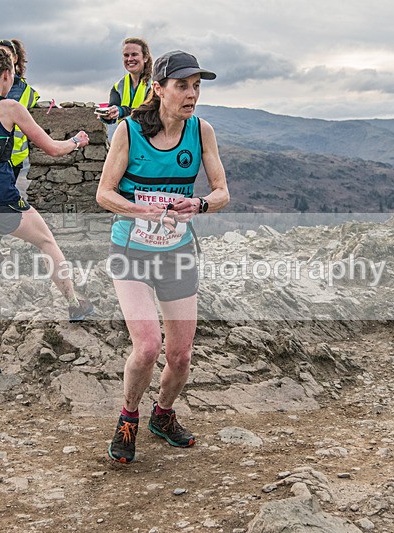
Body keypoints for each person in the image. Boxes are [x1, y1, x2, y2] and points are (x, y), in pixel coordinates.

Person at [96, 51, 230, 463]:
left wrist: (201, 205)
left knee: (181, 355)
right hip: (132, 251)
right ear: (158, 89)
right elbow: (104, 193)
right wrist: (140, 210)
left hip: (177, 252)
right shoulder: (129, 131)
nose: (191, 95)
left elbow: (222, 191)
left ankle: (163, 415)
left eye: (196, 87)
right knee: (149, 346)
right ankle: (128, 417)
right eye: (182, 86)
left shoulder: (201, 131)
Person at [0, 47, 94, 382]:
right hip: (3, 201)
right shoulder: (10, 107)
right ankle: (75, 303)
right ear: (8, 74)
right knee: (47, 242)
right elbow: (52, 149)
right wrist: (78, 141)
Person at [0, 38, 39, 264]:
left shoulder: (26, 91)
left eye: (7, 55)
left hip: (13, 158)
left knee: (2, 203)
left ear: (16, 59)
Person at [99, 37, 152, 124]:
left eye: (134, 54)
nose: (130, 59)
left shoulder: (156, 84)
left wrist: (122, 111)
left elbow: (150, 113)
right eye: (126, 55)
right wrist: (107, 115)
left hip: (148, 136)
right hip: (125, 135)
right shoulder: (118, 87)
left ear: (145, 58)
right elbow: (113, 118)